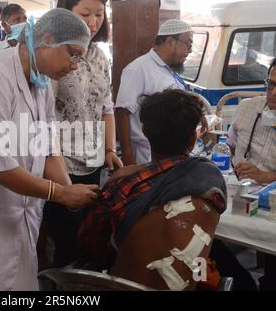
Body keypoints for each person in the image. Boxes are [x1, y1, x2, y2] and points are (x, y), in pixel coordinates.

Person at [0, 8, 98, 291]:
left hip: (19, 216)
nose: (75, 65)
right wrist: (59, 193)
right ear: (46, 39)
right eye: (72, 53)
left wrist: (71, 191)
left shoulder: (42, 82)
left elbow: (48, 148)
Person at [79, 89, 227, 290]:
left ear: (145, 131)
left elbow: (91, 244)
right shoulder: (210, 182)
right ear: (193, 138)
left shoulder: (122, 182)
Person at [42, 0, 123, 268]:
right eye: (85, 13)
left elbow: (106, 107)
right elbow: (45, 119)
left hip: (93, 161)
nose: (93, 21)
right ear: (66, 12)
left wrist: (110, 149)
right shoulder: (54, 53)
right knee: (68, 243)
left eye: (99, 14)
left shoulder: (100, 56)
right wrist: (64, 186)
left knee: (90, 239)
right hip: (58, 163)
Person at [225, 58, 276, 291]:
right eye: (271, 85)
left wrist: (267, 176)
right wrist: (234, 162)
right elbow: (230, 144)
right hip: (238, 192)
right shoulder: (247, 108)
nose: (273, 93)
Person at [115, 19, 193, 166]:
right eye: (188, 44)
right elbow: (122, 111)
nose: (190, 51)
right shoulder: (139, 68)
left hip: (173, 156)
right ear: (170, 41)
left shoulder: (169, 69)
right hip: (147, 157)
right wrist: (128, 157)